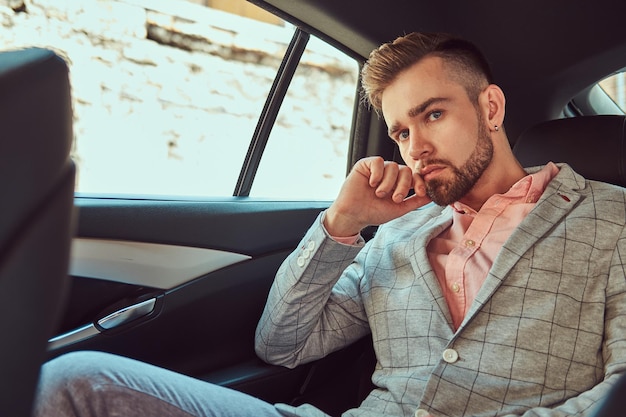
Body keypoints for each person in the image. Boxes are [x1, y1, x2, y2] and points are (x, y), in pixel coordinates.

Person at [32, 32, 626, 417]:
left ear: (490, 108)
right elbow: (284, 345)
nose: (414, 146)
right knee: (75, 380)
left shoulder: (612, 218)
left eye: (434, 115)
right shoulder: (395, 234)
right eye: (400, 132)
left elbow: (618, 389)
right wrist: (340, 226)